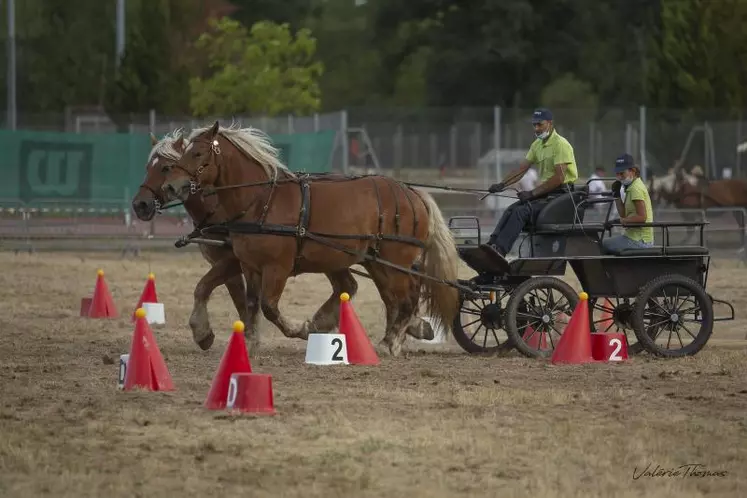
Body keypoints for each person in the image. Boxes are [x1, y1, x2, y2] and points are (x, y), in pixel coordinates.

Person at [480, 108, 578, 270]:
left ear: (550, 124)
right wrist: (502, 185)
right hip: (547, 193)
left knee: (521, 211)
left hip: (562, 195)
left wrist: (532, 193)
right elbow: (521, 169)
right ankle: (492, 245)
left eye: (539, 124)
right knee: (511, 209)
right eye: (534, 125)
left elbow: (559, 178)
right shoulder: (537, 145)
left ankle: (500, 250)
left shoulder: (561, 145)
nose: (536, 128)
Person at [601, 153, 654, 253]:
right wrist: (617, 196)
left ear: (632, 171)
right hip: (633, 237)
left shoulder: (635, 189)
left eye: (622, 174)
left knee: (601, 245)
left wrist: (620, 221)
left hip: (639, 240)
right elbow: (624, 214)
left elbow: (642, 217)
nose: (620, 177)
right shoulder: (630, 187)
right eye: (617, 174)